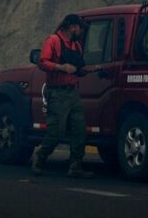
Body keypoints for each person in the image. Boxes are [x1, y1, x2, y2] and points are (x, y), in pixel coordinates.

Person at [31, 13, 99, 178]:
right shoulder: (53, 41)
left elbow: (79, 69)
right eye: (79, 28)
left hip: (72, 93)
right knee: (56, 132)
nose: (81, 32)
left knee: (79, 131)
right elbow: (42, 62)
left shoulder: (77, 46)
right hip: (57, 93)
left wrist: (91, 69)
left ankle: (75, 166)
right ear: (72, 27)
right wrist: (61, 67)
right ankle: (40, 158)